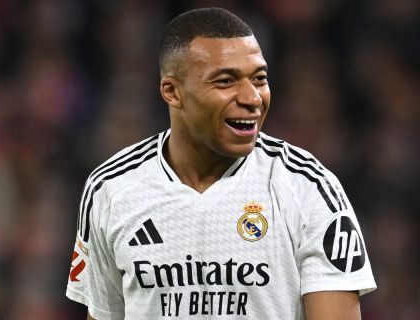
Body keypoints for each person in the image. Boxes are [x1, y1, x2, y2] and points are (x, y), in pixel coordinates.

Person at [66, 7, 376, 319]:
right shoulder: (111, 189)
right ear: (172, 92)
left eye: (259, 79)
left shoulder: (308, 188)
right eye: (226, 81)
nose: (252, 97)